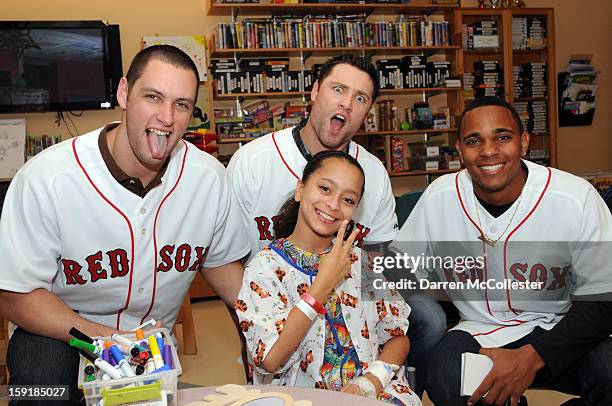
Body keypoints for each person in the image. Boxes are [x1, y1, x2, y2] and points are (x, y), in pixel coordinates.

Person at [0, 45, 248, 404]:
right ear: (124, 94)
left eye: (181, 105)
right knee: (38, 391)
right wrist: (103, 338)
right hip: (58, 333)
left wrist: (276, 319)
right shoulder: (47, 177)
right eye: (153, 97)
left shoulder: (209, 177)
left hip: (148, 346)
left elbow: (222, 263)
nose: (167, 117)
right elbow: (13, 294)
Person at [226, 54, 446, 395]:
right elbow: (228, 256)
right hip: (276, 291)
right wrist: (258, 307)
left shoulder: (373, 171)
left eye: (360, 98)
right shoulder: (252, 161)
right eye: (338, 89)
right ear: (314, 91)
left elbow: (385, 253)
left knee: (429, 317)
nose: (347, 102)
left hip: (357, 286)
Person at [391, 96, 612, 406]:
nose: (489, 151)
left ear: (523, 142)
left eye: (502, 137)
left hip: (558, 330)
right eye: (474, 141)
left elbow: (603, 302)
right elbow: (399, 270)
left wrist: (532, 358)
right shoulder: (440, 196)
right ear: (460, 152)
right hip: (480, 332)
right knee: (445, 374)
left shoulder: (576, 197)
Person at [236, 150, 422, 405]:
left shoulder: (362, 263)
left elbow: (398, 337)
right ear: (300, 189)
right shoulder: (264, 270)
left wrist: (369, 384)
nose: (333, 205)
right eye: (324, 188)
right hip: (299, 398)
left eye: (347, 199)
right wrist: (321, 285)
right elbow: (270, 360)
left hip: (370, 394)